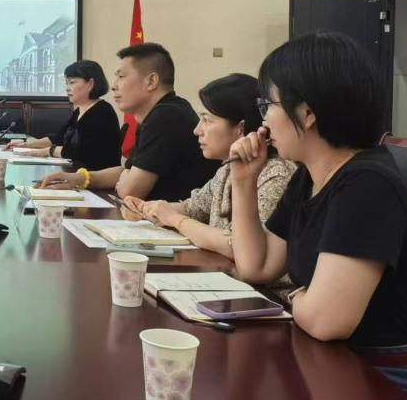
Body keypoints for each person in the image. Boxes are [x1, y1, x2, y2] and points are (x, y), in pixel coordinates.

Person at [228, 32, 407, 400]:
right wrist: (243, 182)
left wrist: (296, 300)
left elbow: (327, 321)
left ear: (307, 114)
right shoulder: (309, 175)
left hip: (389, 378)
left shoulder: (367, 185)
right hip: (335, 363)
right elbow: (258, 266)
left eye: (268, 105)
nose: (263, 123)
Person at [125, 73, 295, 261]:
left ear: (240, 128)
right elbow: (193, 208)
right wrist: (146, 209)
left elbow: (239, 247)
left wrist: (175, 220)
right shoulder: (228, 168)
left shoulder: (276, 175)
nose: (197, 130)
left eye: (207, 120)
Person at [38, 43, 217, 201]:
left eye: (121, 76)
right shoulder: (161, 112)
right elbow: (126, 171)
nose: (114, 86)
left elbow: (129, 191)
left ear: (151, 81)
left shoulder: (166, 117)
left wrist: (126, 178)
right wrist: (80, 178)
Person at [5, 60, 121, 170]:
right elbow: (60, 138)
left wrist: (45, 151)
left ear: (90, 83)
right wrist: (26, 145)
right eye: (67, 83)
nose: (67, 88)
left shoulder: (102, 112)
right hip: (76, 172)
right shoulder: (80, 111)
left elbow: (77, 151)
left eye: (72, 82)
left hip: (95, 177)